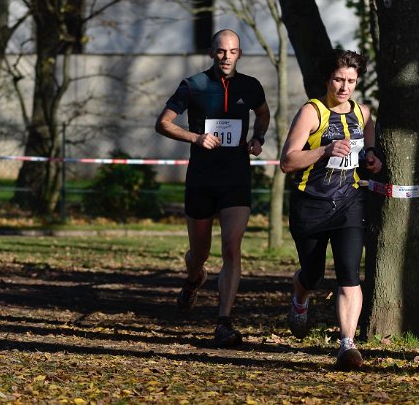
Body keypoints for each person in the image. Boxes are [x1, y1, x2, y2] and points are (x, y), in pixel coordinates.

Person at [155, 29, 270, 347]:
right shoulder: (193, 85)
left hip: (236, 178)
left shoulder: (251, 86)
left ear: (239, 54)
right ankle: (194, 278)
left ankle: (223, 322)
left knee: (232, 248)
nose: (226, 57)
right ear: (211, 53)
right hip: (202, 180)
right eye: (221, 51)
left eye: (232, 51)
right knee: (199, 254)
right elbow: (162, 123)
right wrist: (196, 138)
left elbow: (263, 114)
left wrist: (258, 138)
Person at [279, 49, 382, 371]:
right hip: (311, 203)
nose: (344, 87)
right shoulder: (312, 112)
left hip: (349, 202)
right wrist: (324, 150)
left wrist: (372, 159)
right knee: (312, 274)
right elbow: (287, 161)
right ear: (328, 79)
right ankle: (300, 299)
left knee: (349, 273)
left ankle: (347, 345)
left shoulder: (363, 114)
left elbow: (369, 151)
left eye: (351, 81)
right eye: (339, 79)